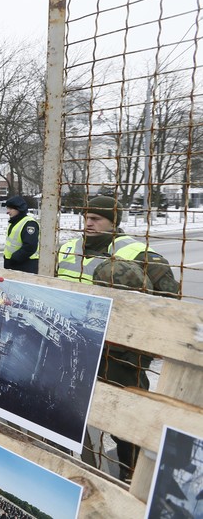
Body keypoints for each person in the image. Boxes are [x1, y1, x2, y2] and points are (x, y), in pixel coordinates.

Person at [55, 195, 178, 482]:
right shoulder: (67, 248)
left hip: (118, 353)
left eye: (96, 218)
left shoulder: (136, 252)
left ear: (114, 222)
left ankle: (130, 475)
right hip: (73, 342)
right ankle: (71, 465)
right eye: (86, 217)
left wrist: (146, 345)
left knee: (124, 417)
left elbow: (169, 299)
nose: (89, 223)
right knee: (71, 408)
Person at [2, 195, 39, 274]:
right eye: (7, 208)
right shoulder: (15, 222)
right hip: (14, 265)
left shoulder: (29, 223)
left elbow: (30, 246)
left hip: (25, 265)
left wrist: (15, 258)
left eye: (11, 208)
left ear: (19, 209)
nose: (7, 211)